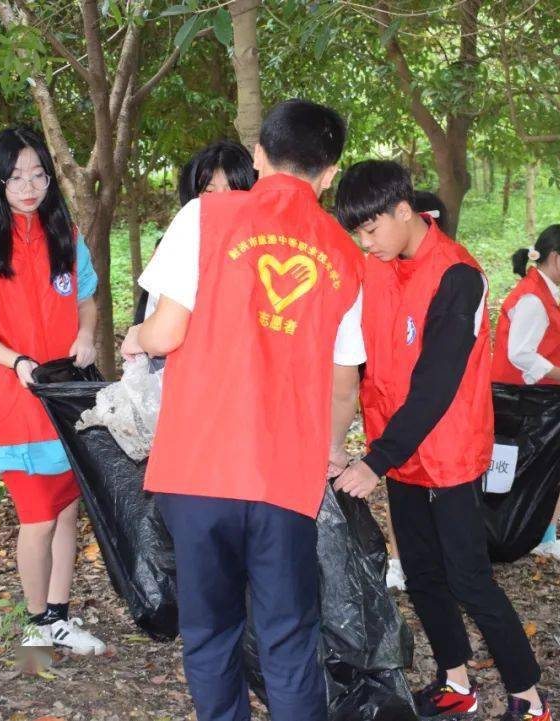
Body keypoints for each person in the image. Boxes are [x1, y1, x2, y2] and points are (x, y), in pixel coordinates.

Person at [130, 99, 365, 721]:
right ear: (330, 172)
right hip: (284, 477)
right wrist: (330, 453)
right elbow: (345, 385)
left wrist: (137, 338)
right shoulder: (345, 256)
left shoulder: (203, 217)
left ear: (258, 155)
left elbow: (166, 332)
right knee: (290, 638)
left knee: (210, 632)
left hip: (198, 467)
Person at [333, 160, 552, 721]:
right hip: (400, 451)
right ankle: (456, 682)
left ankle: (529, 698)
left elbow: (436, 382)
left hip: (448, 453)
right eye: (357, 232)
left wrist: (375, 461)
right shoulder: (373, 267)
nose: (365, 241)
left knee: (469, 580)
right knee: (423, 574)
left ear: (404, 211)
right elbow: (354, 358)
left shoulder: (459, 276)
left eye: (372, 228)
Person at [0, 127, 106, 655]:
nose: (29, 185)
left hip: (62, 396)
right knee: (37, 517)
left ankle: (58, 616)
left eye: (38, 173)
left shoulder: (66, 233)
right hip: (12, 400)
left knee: (66, 510)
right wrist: (16, 361)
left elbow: (85, 296)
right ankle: (36, 623)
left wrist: (85, 333)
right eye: (15, 176)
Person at [493, 224, 560, 564]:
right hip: (523, 401)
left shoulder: (541, 293)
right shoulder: (533, 298)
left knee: (544, 471)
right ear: (557, 257)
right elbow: (519, 352)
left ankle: (541, 536)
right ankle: (511, 537)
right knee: (521, 473)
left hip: (532, 400)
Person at [382, 189, 448, 593]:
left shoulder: (450, 275)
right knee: (403, 494)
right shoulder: (388, 273)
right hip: (395, 414)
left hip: (436, 422)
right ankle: (399, 557)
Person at [131, 141, 257, 325]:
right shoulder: (174, 245)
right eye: (209, 191)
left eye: (233, 191)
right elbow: (151, 315)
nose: (221, 202)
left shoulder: (263, 247)